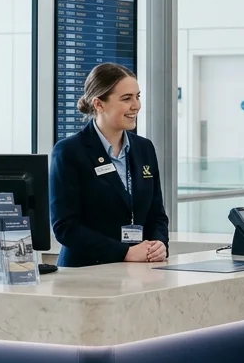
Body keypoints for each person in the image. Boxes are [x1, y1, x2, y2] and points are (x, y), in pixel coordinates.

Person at [49, 63, 170, 268]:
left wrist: (159, 244)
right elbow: (66, 227)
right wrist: (124, 252)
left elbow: (156, 214)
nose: (136, 105)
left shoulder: (144, 148)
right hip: (86, 273)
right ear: (99, 104)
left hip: (139, 270)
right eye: (126, 98)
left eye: (137, 96)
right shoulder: (69, 151)